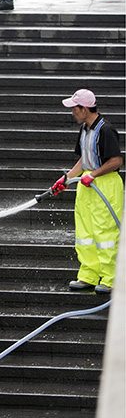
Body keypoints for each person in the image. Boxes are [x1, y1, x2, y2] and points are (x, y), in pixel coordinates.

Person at [51, 89, 123, 295]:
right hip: (87, 184)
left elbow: (117, 161)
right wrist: (65, 179)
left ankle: (110, 278)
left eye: (75, 108)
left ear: (85, 109)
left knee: (106, 232)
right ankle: (89, 275)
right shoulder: (84, 129)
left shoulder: (106, 130)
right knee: (86, 232)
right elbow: (83, 160)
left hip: (105, 185)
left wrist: (94, 175)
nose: (72, 112)